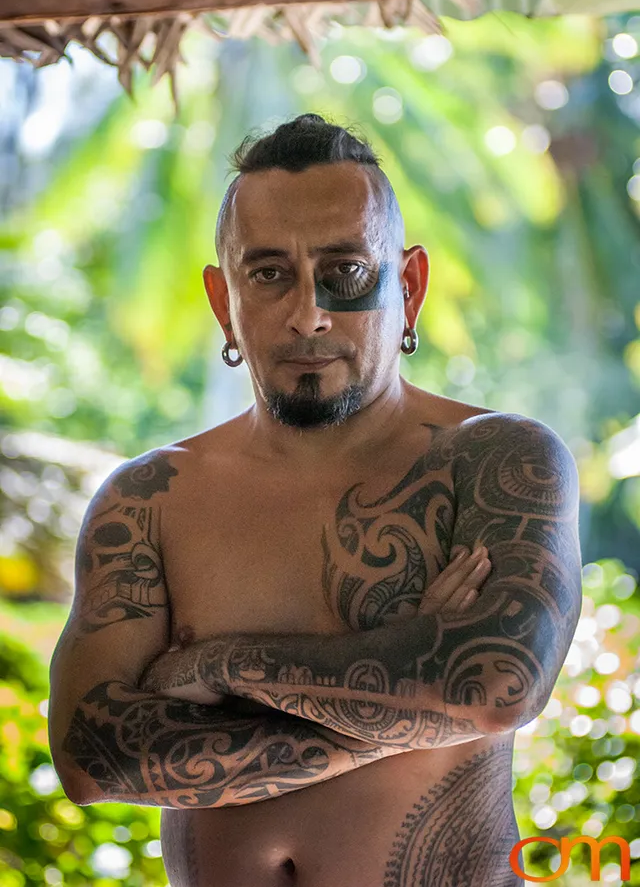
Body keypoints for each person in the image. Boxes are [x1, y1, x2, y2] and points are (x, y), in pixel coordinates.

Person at [48, 114, 583, 887]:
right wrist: (408, 697)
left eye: (347, 271)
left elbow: (495, 684)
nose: (308, 314)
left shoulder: (495, 459)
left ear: (409, 285)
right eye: (268, 273)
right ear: (222, 300)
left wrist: (215, 666)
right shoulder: (150, 497)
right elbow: (92, 756)